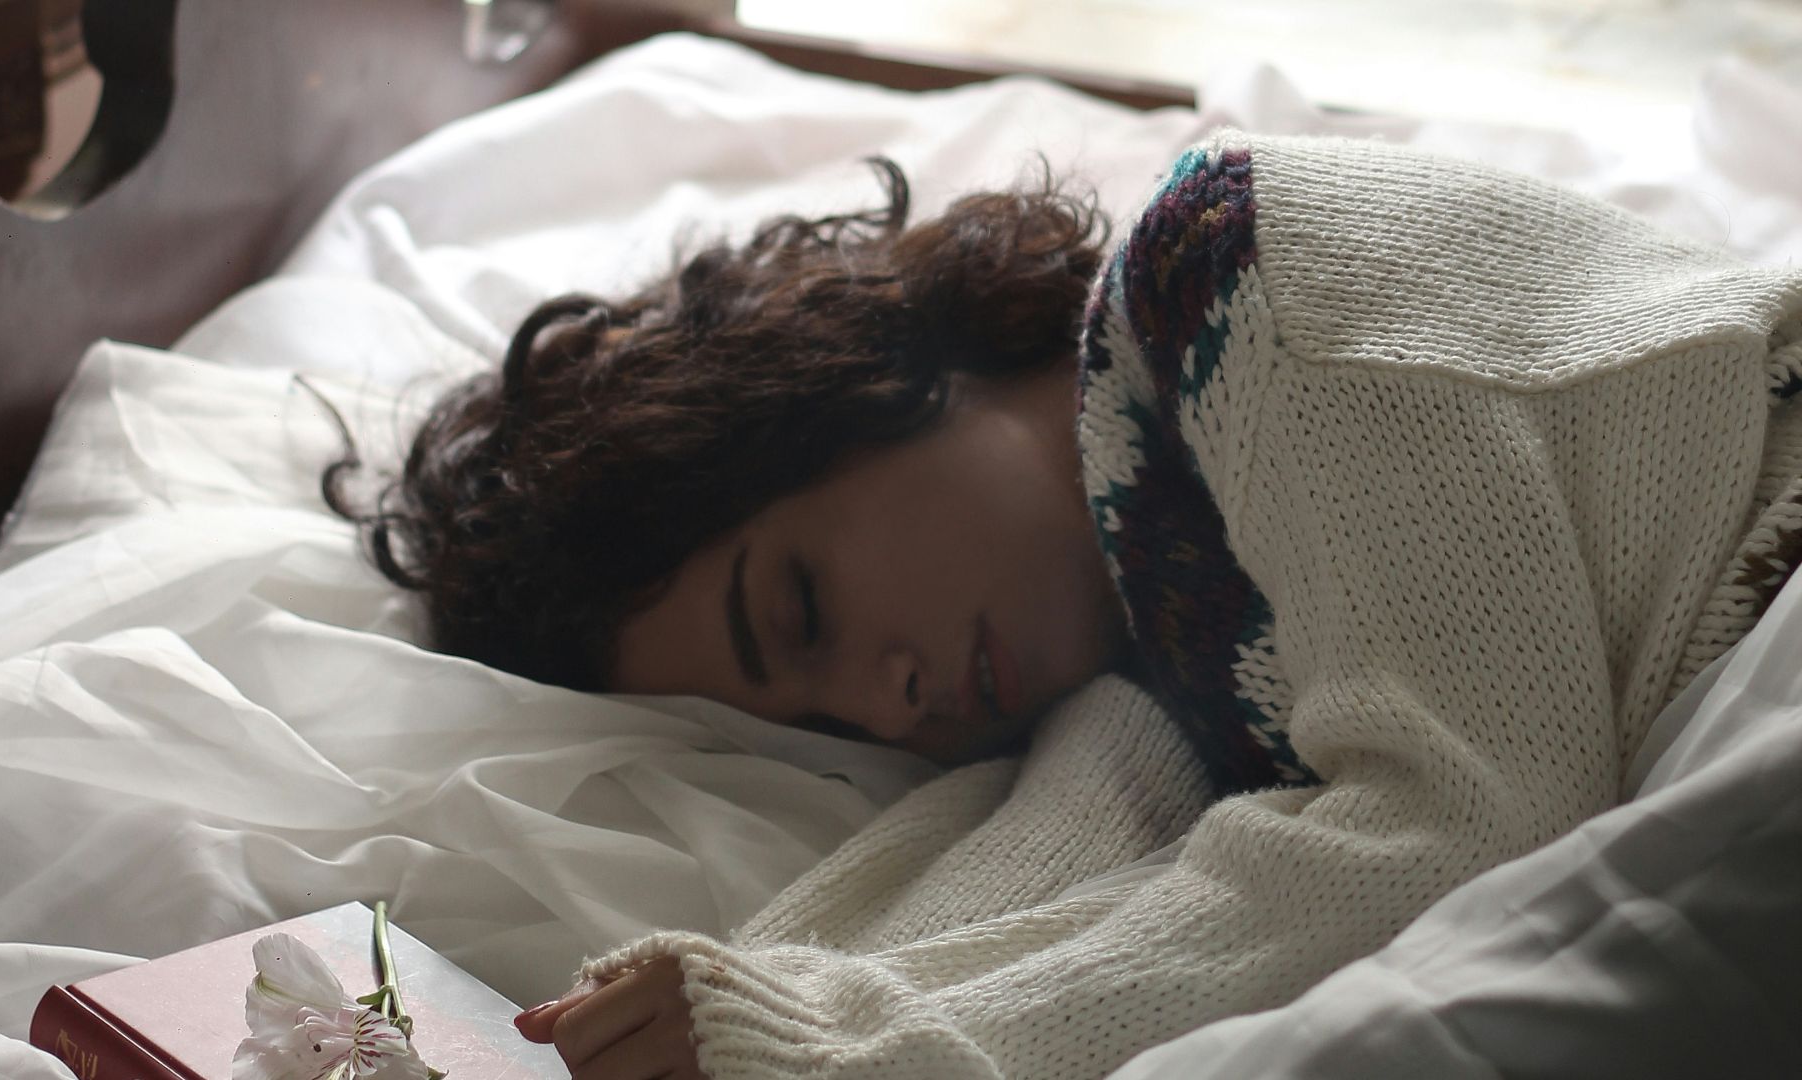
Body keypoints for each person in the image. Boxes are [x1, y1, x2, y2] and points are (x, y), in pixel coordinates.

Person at [336, 132, 1802, 1079]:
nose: (888, 703)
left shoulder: (1234, 281)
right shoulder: (1157, 614)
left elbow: (1463, 818)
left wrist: (857, 1047)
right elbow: (1057, 857)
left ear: (862, 381)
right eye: (826, 718)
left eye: (799, 611)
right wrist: (734, 1004)